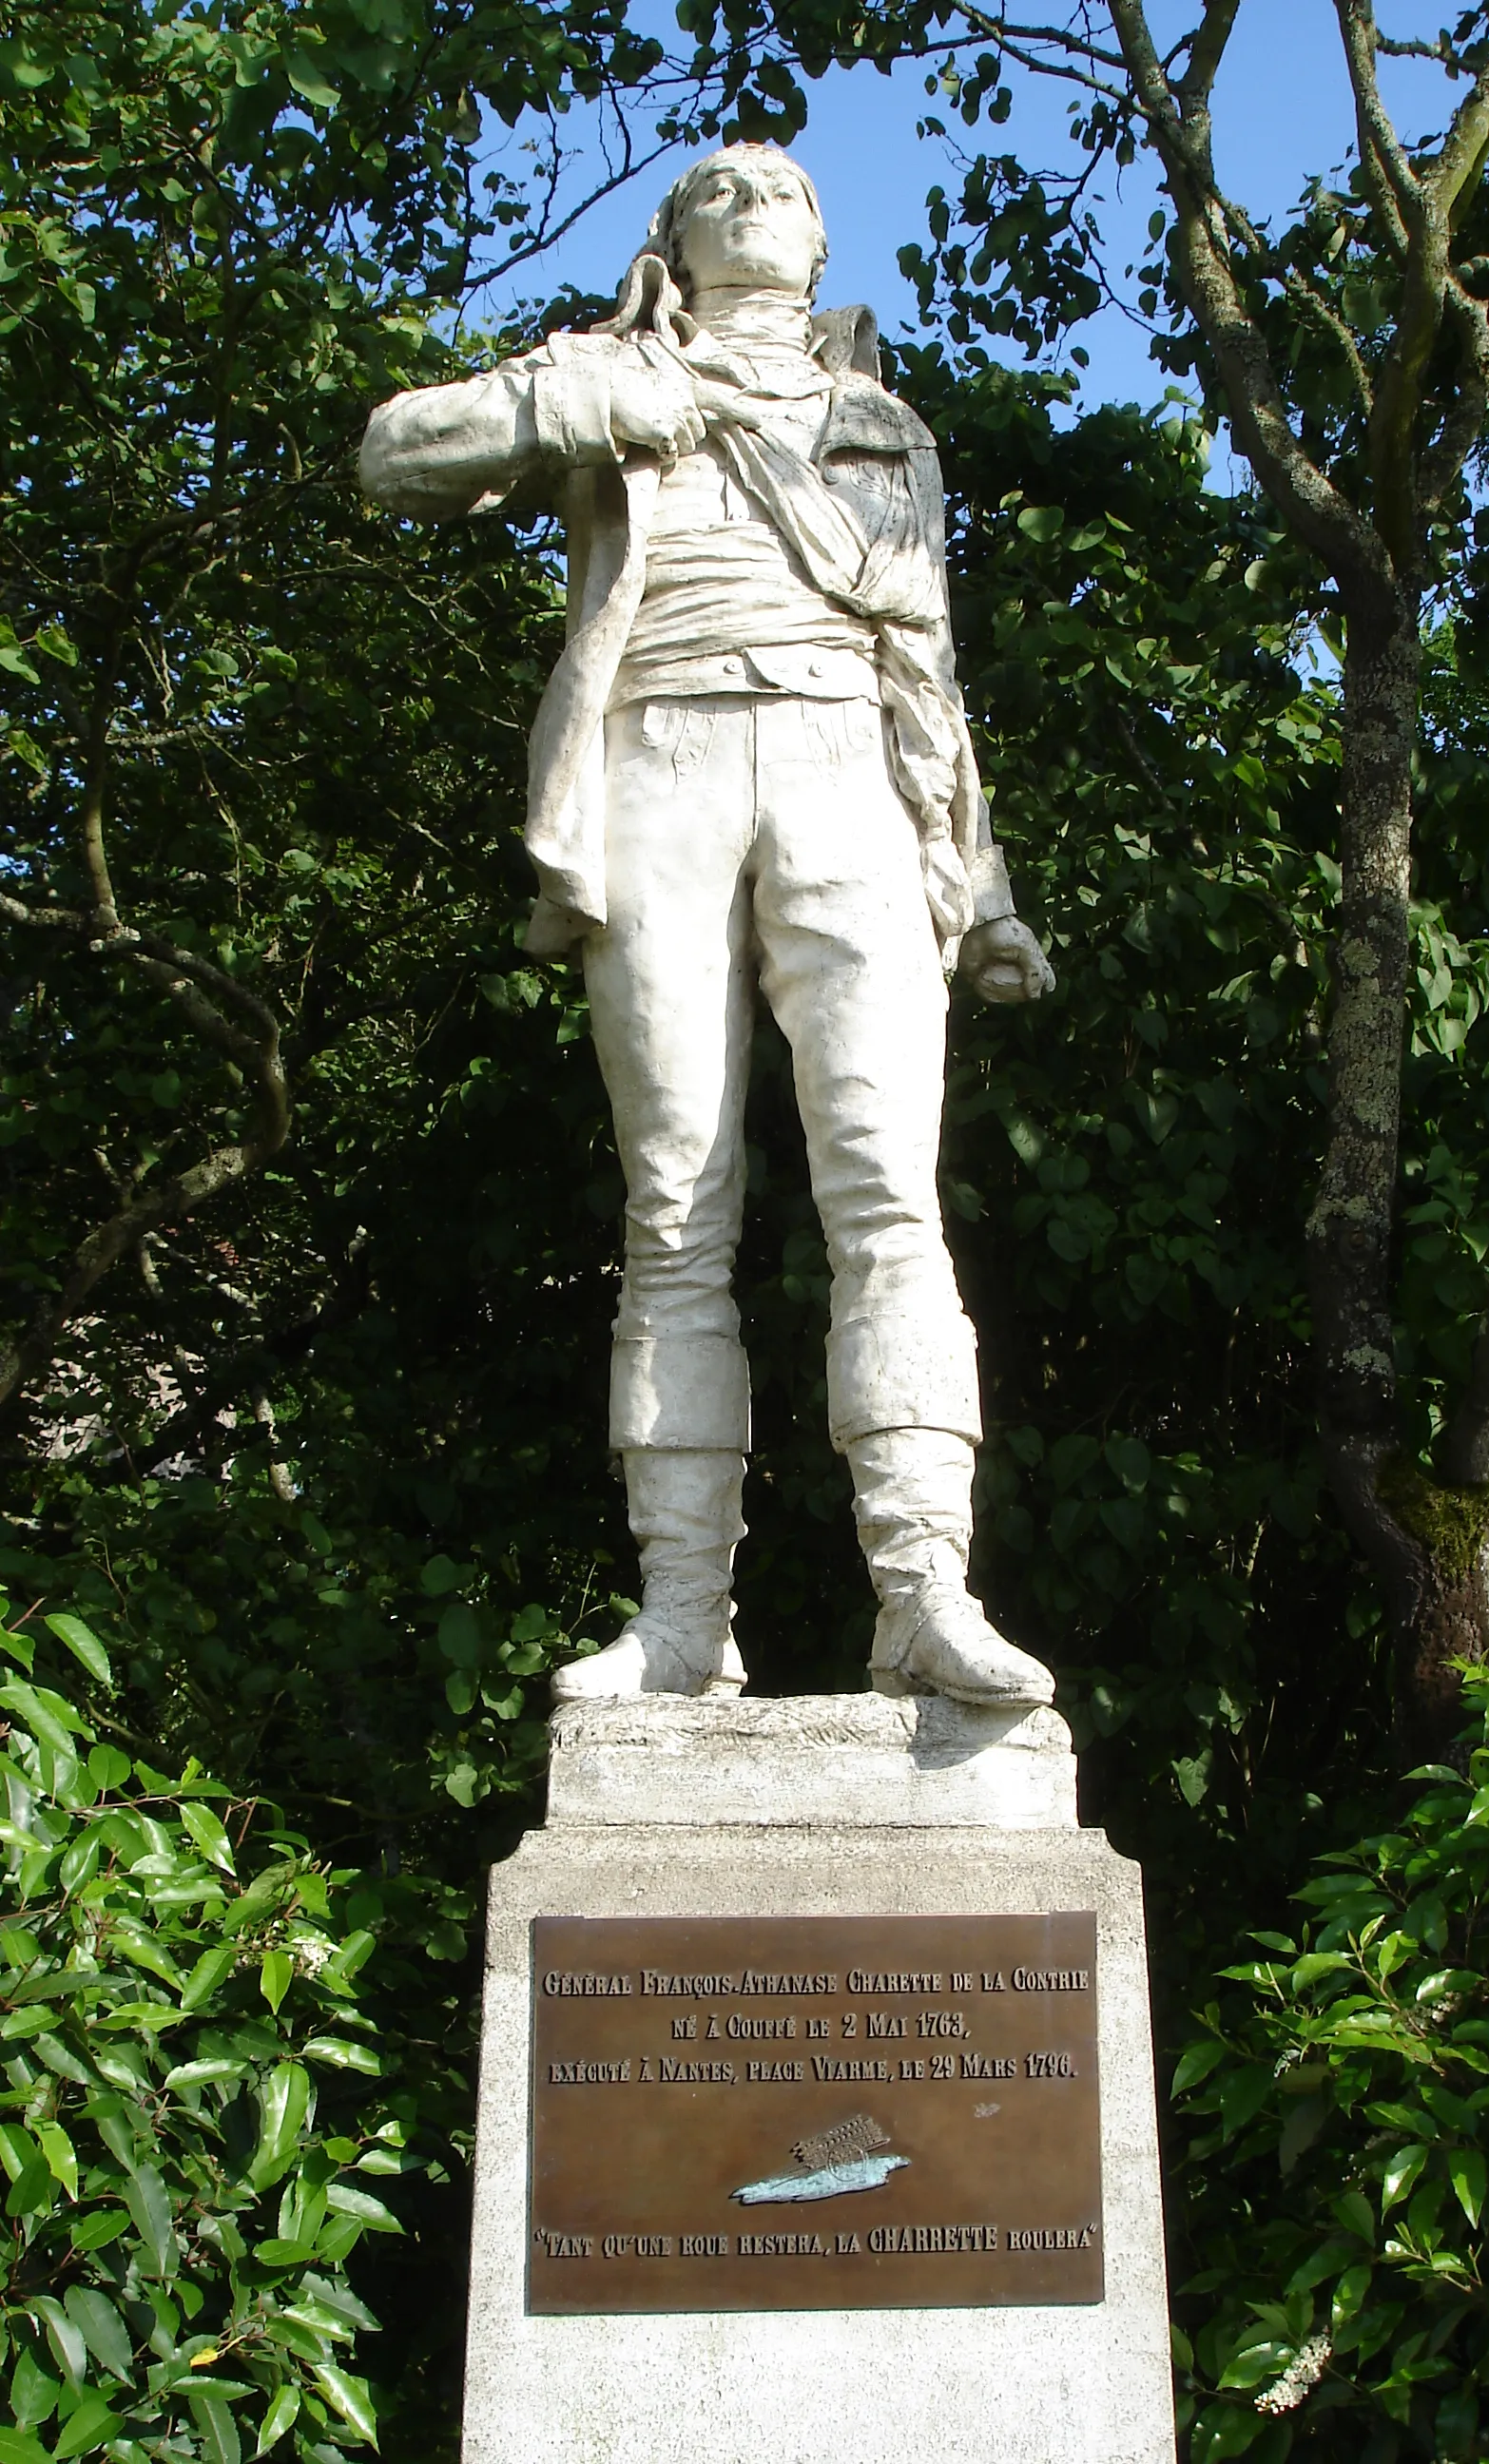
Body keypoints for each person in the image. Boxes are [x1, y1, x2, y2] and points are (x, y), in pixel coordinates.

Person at [359, 143, 1056, 1708]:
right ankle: (683, 1617)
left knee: (886, 1194)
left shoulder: (882, 424)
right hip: (657, 758)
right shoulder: (604, 371)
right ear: (674, 236)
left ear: (820, 242)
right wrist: (580, 406)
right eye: (719, 185)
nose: (755, 193)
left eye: (789, 184)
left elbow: (931, 667)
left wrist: (985, 883)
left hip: (849, 774)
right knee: (674, 1203)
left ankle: (924, 1588)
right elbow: (394, 451)